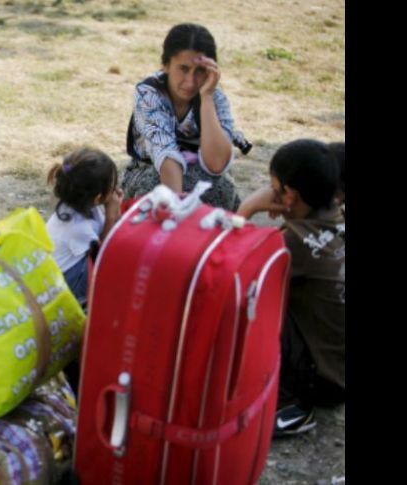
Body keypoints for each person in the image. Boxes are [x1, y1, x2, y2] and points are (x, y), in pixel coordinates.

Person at [237, 139, 344, 437]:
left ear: (290, 195)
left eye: (275, 187)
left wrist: (247, 209)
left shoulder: (294, 241)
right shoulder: (336, 219)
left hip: (324, 382)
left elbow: (231, 271)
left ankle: (290, 406)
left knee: (250, 301)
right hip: (339, 369)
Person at [122, 23, 251, 211]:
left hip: (205, 173)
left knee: (220, 188)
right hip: (151, 170)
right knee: (155, 192)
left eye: (199, 71)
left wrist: (206, 98)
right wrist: (177, 210)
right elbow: (165, 154)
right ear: (166, 65)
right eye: (183, 68)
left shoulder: (215, 97)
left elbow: (216, 164)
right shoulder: (149, 93)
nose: (190, 82)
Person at [46, 147, 123, 306]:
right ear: (98, 197)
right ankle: (82, 303)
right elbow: (104, 254)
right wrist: (111, 215)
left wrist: (113, 213)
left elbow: (103, 233)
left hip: (58, 274)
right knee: (107, 272)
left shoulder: (82, 205)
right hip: (58, 286)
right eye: (112, 185)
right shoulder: (77, 227)